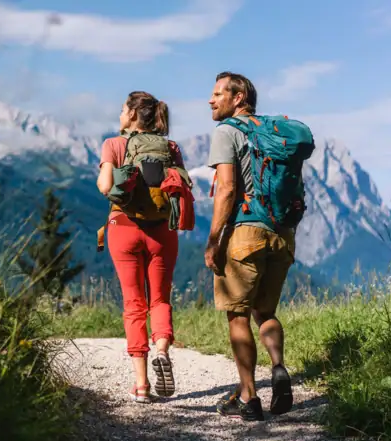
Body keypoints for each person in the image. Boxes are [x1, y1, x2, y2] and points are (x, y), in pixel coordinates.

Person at [205, 71, 302, 421]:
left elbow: (228, 189)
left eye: (218, 94)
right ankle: (278, 368)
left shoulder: (227, 131)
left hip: (246, 232)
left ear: (239, 97)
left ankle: (248, 398)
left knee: (238, 314)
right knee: (266, 313)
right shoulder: (275, 134)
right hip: (282, 234)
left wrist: (214, 239)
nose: (211, 100)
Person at [96, 91, 190, 403]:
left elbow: (106, 187)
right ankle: (162, 348)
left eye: (124, 110)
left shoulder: (114, 144)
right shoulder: (170, 147)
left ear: (134, 114)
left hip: (122, 228)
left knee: (133, 303)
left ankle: (141, 385)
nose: (120, 114)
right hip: (162, 230)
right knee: (160, 299)